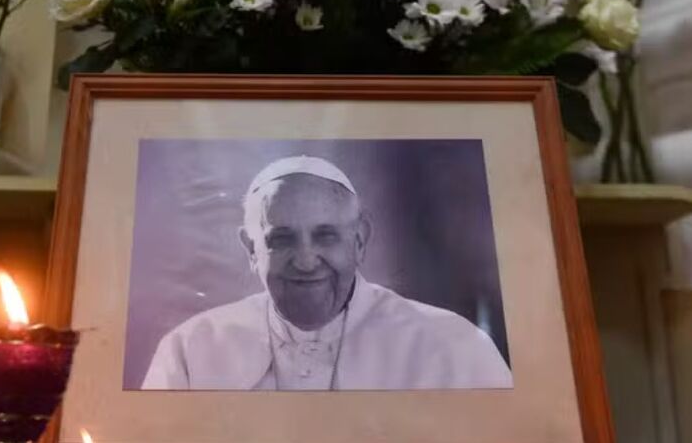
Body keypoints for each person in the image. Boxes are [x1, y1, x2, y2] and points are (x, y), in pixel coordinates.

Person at [141, 155, 513, 390]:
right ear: (251, 249)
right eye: (281, 239)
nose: (306, 261)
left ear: (360, 240)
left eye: (326, 236)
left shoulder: (455, 346)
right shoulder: (189, 349)